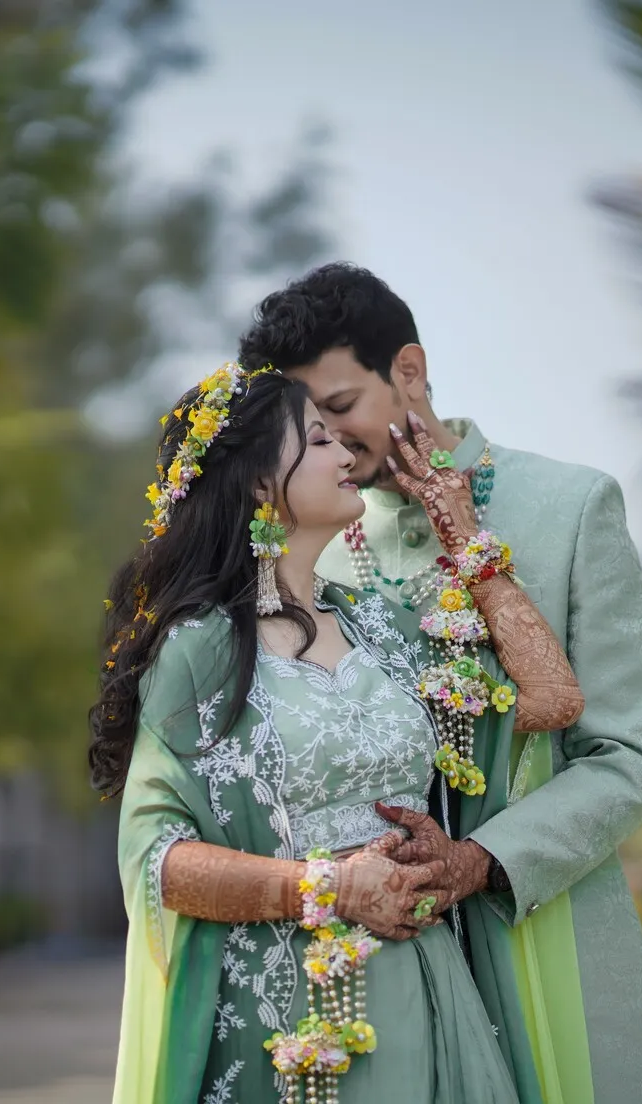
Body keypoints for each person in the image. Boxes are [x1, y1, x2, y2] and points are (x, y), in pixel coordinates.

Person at [238, 263, 642, 1104]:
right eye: (303, 426)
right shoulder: (317, 541)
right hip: (372, 965)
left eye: (335, 410)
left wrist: (480, 860)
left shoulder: (568, 507)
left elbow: (629, 754)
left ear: (408, 370)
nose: (324, 442)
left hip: (542, 924)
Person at [89, 364, 584, 1104]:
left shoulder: (379, 628)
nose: (347, 455)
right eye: (319, 439)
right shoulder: (200, 648)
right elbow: (156, 860)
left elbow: (552, 695)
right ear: (261, 483)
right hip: (282, 1018)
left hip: (422, 994)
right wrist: (327, 888)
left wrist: (464, 538)